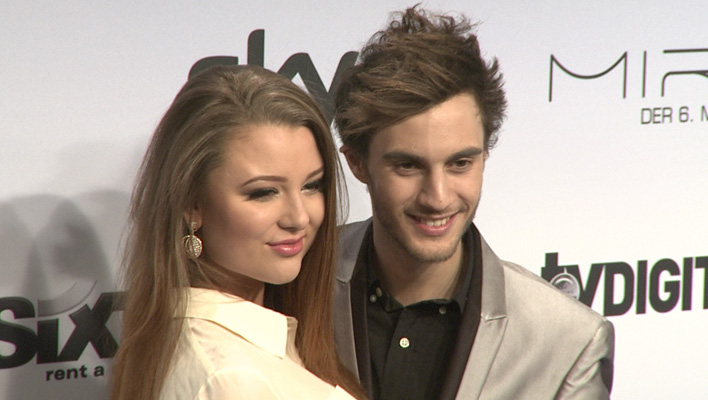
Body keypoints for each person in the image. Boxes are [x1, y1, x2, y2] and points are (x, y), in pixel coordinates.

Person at [332, 7, 614, 400]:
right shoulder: (294, 283)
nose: (438, 197)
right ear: (358, 163)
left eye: (460, 163)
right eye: (408, 166)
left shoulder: (568, 341)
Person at [111, 65, 365, 399]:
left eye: (312, 185)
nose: (299, 217)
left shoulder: (204, 342)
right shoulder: (233, 377)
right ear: (191, 202)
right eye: (263, 192)